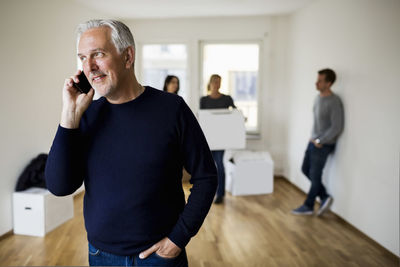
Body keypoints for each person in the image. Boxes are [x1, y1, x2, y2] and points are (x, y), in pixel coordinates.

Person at [45, 19, 217, 267]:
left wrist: (178, 239)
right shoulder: (85, 116)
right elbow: (59, 186)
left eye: (98, 54)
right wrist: (69, 116)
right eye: (82, 58)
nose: (89, 67)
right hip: (101, 256)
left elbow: (206, 176)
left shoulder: (172, 109)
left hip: (160, 257)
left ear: (127, 57)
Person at [292, 68, 344, 216]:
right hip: (313, 142)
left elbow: (337, 126)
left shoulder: (334, 101)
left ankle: (308, 205)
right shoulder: (318, 98)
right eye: (317, 79)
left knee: (315, 176)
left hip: (323, 145)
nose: (316, 83)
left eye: (320, 80)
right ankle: (324, 196)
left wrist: (321, 140)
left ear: (329, 83)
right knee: (305, 169)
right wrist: (313, 138)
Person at [199, 74, 236, 204]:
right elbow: (201, 118)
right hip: (208, 138)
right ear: (210, 83)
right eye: (215, 82)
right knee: (209, 166)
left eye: (219, 82)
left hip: (221, 138)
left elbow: (234, 114)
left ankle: (220, 194)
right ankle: (208, 192)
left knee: (219, 164)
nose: (217, 84)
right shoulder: (204, 100)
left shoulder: (227, 99)